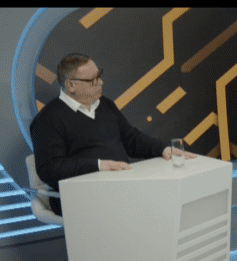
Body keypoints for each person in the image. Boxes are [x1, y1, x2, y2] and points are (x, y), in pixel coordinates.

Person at [30, 53, 196, 216]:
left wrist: (162, 149)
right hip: (81, 198)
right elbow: (50, 169)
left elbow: (131, 139)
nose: (101, 82)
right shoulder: (47, 120)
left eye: (99, 75)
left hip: (121, 187)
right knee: (151, 207)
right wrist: (99, 165)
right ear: (71, 85)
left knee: (167, 197)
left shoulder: (105, 105)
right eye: (93, 80)